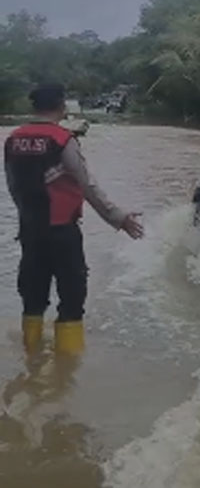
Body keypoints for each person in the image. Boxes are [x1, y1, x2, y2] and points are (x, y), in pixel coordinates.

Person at [4, 83, 143, 354]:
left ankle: (30, 362)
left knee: (32, 298)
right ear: (61, 106)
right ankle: (67, 374)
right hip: (62, 232)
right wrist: (119, 218)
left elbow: (13, 186)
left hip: (30, 231)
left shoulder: (13, 139)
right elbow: (87, 186)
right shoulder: (62, 140)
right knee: (71, 299)